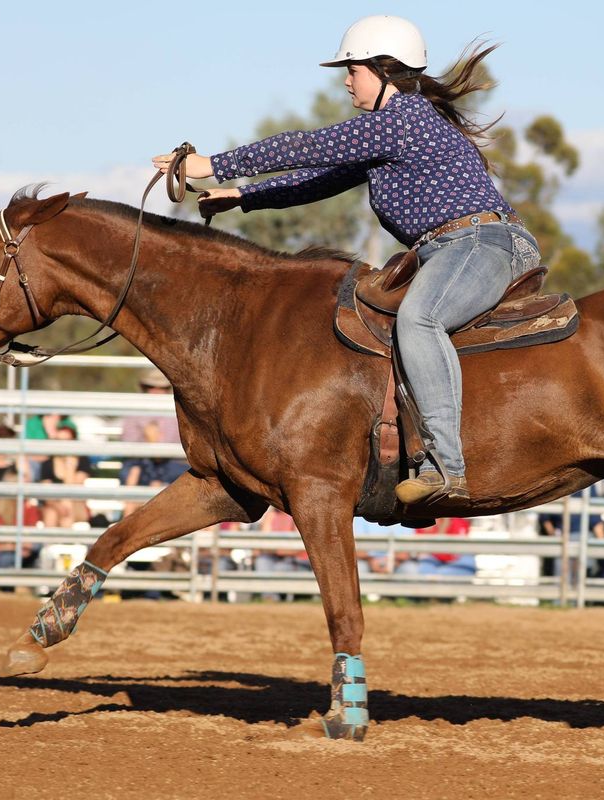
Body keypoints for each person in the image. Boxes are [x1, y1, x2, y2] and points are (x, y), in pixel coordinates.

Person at [152, 15, 542, 506]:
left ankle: (447, 466)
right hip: (460, 246)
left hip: (482, 243)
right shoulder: (395, 129)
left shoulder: (402, 119)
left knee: (420, 320)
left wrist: (212, 164)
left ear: (383, 70)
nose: (345, 79)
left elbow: (307, 146)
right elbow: (319, 179)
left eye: (353, 69)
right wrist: (241, 197)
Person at [120, 369, 187, 516]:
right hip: (140, 461)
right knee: (135, 470)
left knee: (152, 475)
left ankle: (138, 516)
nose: (156, 391)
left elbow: (177, 442)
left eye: (161, 388)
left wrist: (153, 441)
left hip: (171, 462)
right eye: (151, 387)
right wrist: (150, 441)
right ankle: (130, 519)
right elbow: (128, 441)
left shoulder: (176, 411)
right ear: (144, 388)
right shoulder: (134, 411)